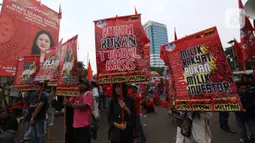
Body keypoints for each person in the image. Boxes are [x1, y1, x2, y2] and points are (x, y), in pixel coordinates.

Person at [64, 78, 93, 143]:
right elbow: (69, 102)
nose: (80, 85)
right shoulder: (77, 94)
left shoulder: (88, 94)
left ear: (87, 86)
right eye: (80, 83)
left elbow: (84, 105)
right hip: (75, 125)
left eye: (82, 84)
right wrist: (66, 98)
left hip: (84, 125)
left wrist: (71, 105)